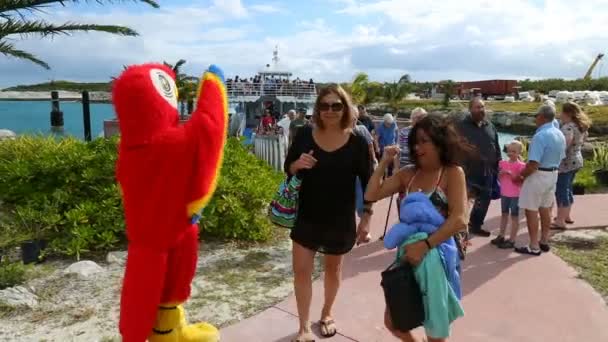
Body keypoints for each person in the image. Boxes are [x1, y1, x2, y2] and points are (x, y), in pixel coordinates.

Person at [365, 115, 470, 342]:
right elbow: (371, 194)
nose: (417, 147)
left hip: (439, 259)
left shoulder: (452, 173)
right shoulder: (408, 174)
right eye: (415, 141)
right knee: (394, 322)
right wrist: (383, 162)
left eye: (424, 141)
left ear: (440, 142)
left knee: (435, 330)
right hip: (408, 259)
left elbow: (460, 219)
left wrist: (425, 245)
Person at [284, 85, 374, 342]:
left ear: (345, 108)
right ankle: (302, 327)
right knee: (301, 271)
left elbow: (368, 183)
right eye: (325, 105)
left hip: (340, 217)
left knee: (333, 270)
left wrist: (366, 218)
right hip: (307, 214)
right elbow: (287, 167)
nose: (330, 110)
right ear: (318, 109)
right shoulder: (303, 134)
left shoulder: (358, 142)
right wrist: (296, 164)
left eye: (336, 105)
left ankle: (326, 313)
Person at [515, 105, 566, 256]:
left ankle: (533, 245)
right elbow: (561, 157)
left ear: (542, 117)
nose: (535, 118)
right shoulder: (559, 133)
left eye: (536, 115)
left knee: (531, 210)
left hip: (538, 175)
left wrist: (521, 175)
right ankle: (544, 240)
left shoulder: (540, 136)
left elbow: (533, 164)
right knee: (545, 209)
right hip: (553, 174)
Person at [457, 98, 501, 237]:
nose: (481, 110)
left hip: (488, 171)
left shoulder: (490, 126)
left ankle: (475, 225)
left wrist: (498, 162)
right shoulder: (461, 126)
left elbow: (496, 144)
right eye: (477, 107)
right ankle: (458, 228)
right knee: (463, 201)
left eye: (482, 107)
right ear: (470, 109)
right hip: (467, 171)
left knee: (484, 200)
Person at [553, 102, 592, 229]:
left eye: (562, 112)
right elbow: (583, 141)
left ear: (568, 113)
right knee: (568, 188)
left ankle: (560, 220)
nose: (560, 115)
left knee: (561, 191)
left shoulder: (568, 127)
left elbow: (565, 144)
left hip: (566, 163)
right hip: (577, 160)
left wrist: (556, 160)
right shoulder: (581, 126)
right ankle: (566, 216)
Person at [491, 140, 526, 249]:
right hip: (504, 194)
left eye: (514, 151)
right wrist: (500, 174)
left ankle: (512, 240)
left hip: (515, 195)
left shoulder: (521, 165)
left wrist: (512, 175)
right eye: (509, 151)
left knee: (514, 217)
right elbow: (498, 177)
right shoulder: (503, 163)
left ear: (519, 152)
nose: (511, 153)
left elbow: (522, 180)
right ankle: (501, 235)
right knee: (504, 214)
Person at [353, 106, 378, 242]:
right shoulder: (339, 133)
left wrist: (374, 160)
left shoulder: (361, 130)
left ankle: (365, 229)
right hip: (346, 174)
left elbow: (370, 145)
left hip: (361, 173)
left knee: (363, 200)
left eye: (354, 118)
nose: (352, 120)